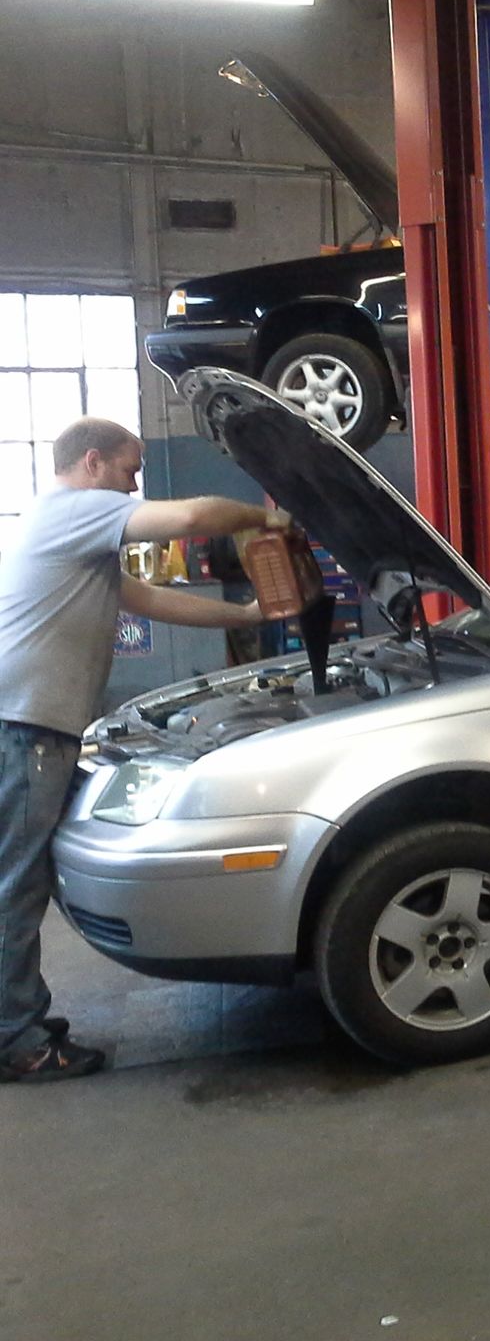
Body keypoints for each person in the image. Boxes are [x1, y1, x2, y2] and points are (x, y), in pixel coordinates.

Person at [0, 417, 287, 1083]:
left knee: (20, 880)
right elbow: (189, 515)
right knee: (15, 888)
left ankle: (17, 1016)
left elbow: (152, 600)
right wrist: (263, 516)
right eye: (130, 470)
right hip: (26, 728)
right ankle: (16, 1040)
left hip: (33, 726)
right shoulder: (75, 510)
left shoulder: (68, 534)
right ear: (94, 463)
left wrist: (246, 619)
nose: (135, 484)